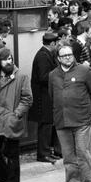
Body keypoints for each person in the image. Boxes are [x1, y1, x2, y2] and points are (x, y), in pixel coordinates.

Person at [49, 44, 91, 182]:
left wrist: (85, 107)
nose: (67, 57)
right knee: (68, 155)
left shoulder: (84, 71)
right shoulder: (53, 75)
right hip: (61, 120)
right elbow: (52, 95)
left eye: (69, 54)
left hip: (81, 119)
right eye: (64, 55)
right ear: (58, 58)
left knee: (83, 152)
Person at [0, 48, 33, 182]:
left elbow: (27, 98)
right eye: (5, 59)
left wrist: (16, 114)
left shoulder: (21, 76)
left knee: (12, 153)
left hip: (11, 119)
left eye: (11, 58)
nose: (9, 61)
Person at [30, 32, 60, 164]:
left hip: (47, 95)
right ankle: (43, 153)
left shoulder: (47, 54)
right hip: (43, 96)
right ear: (52, 44)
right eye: (56, 43)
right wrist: (57, 74)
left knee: (48, 124)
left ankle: (47, 151)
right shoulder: (43, 56)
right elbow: (43, 76)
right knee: (45, 125)